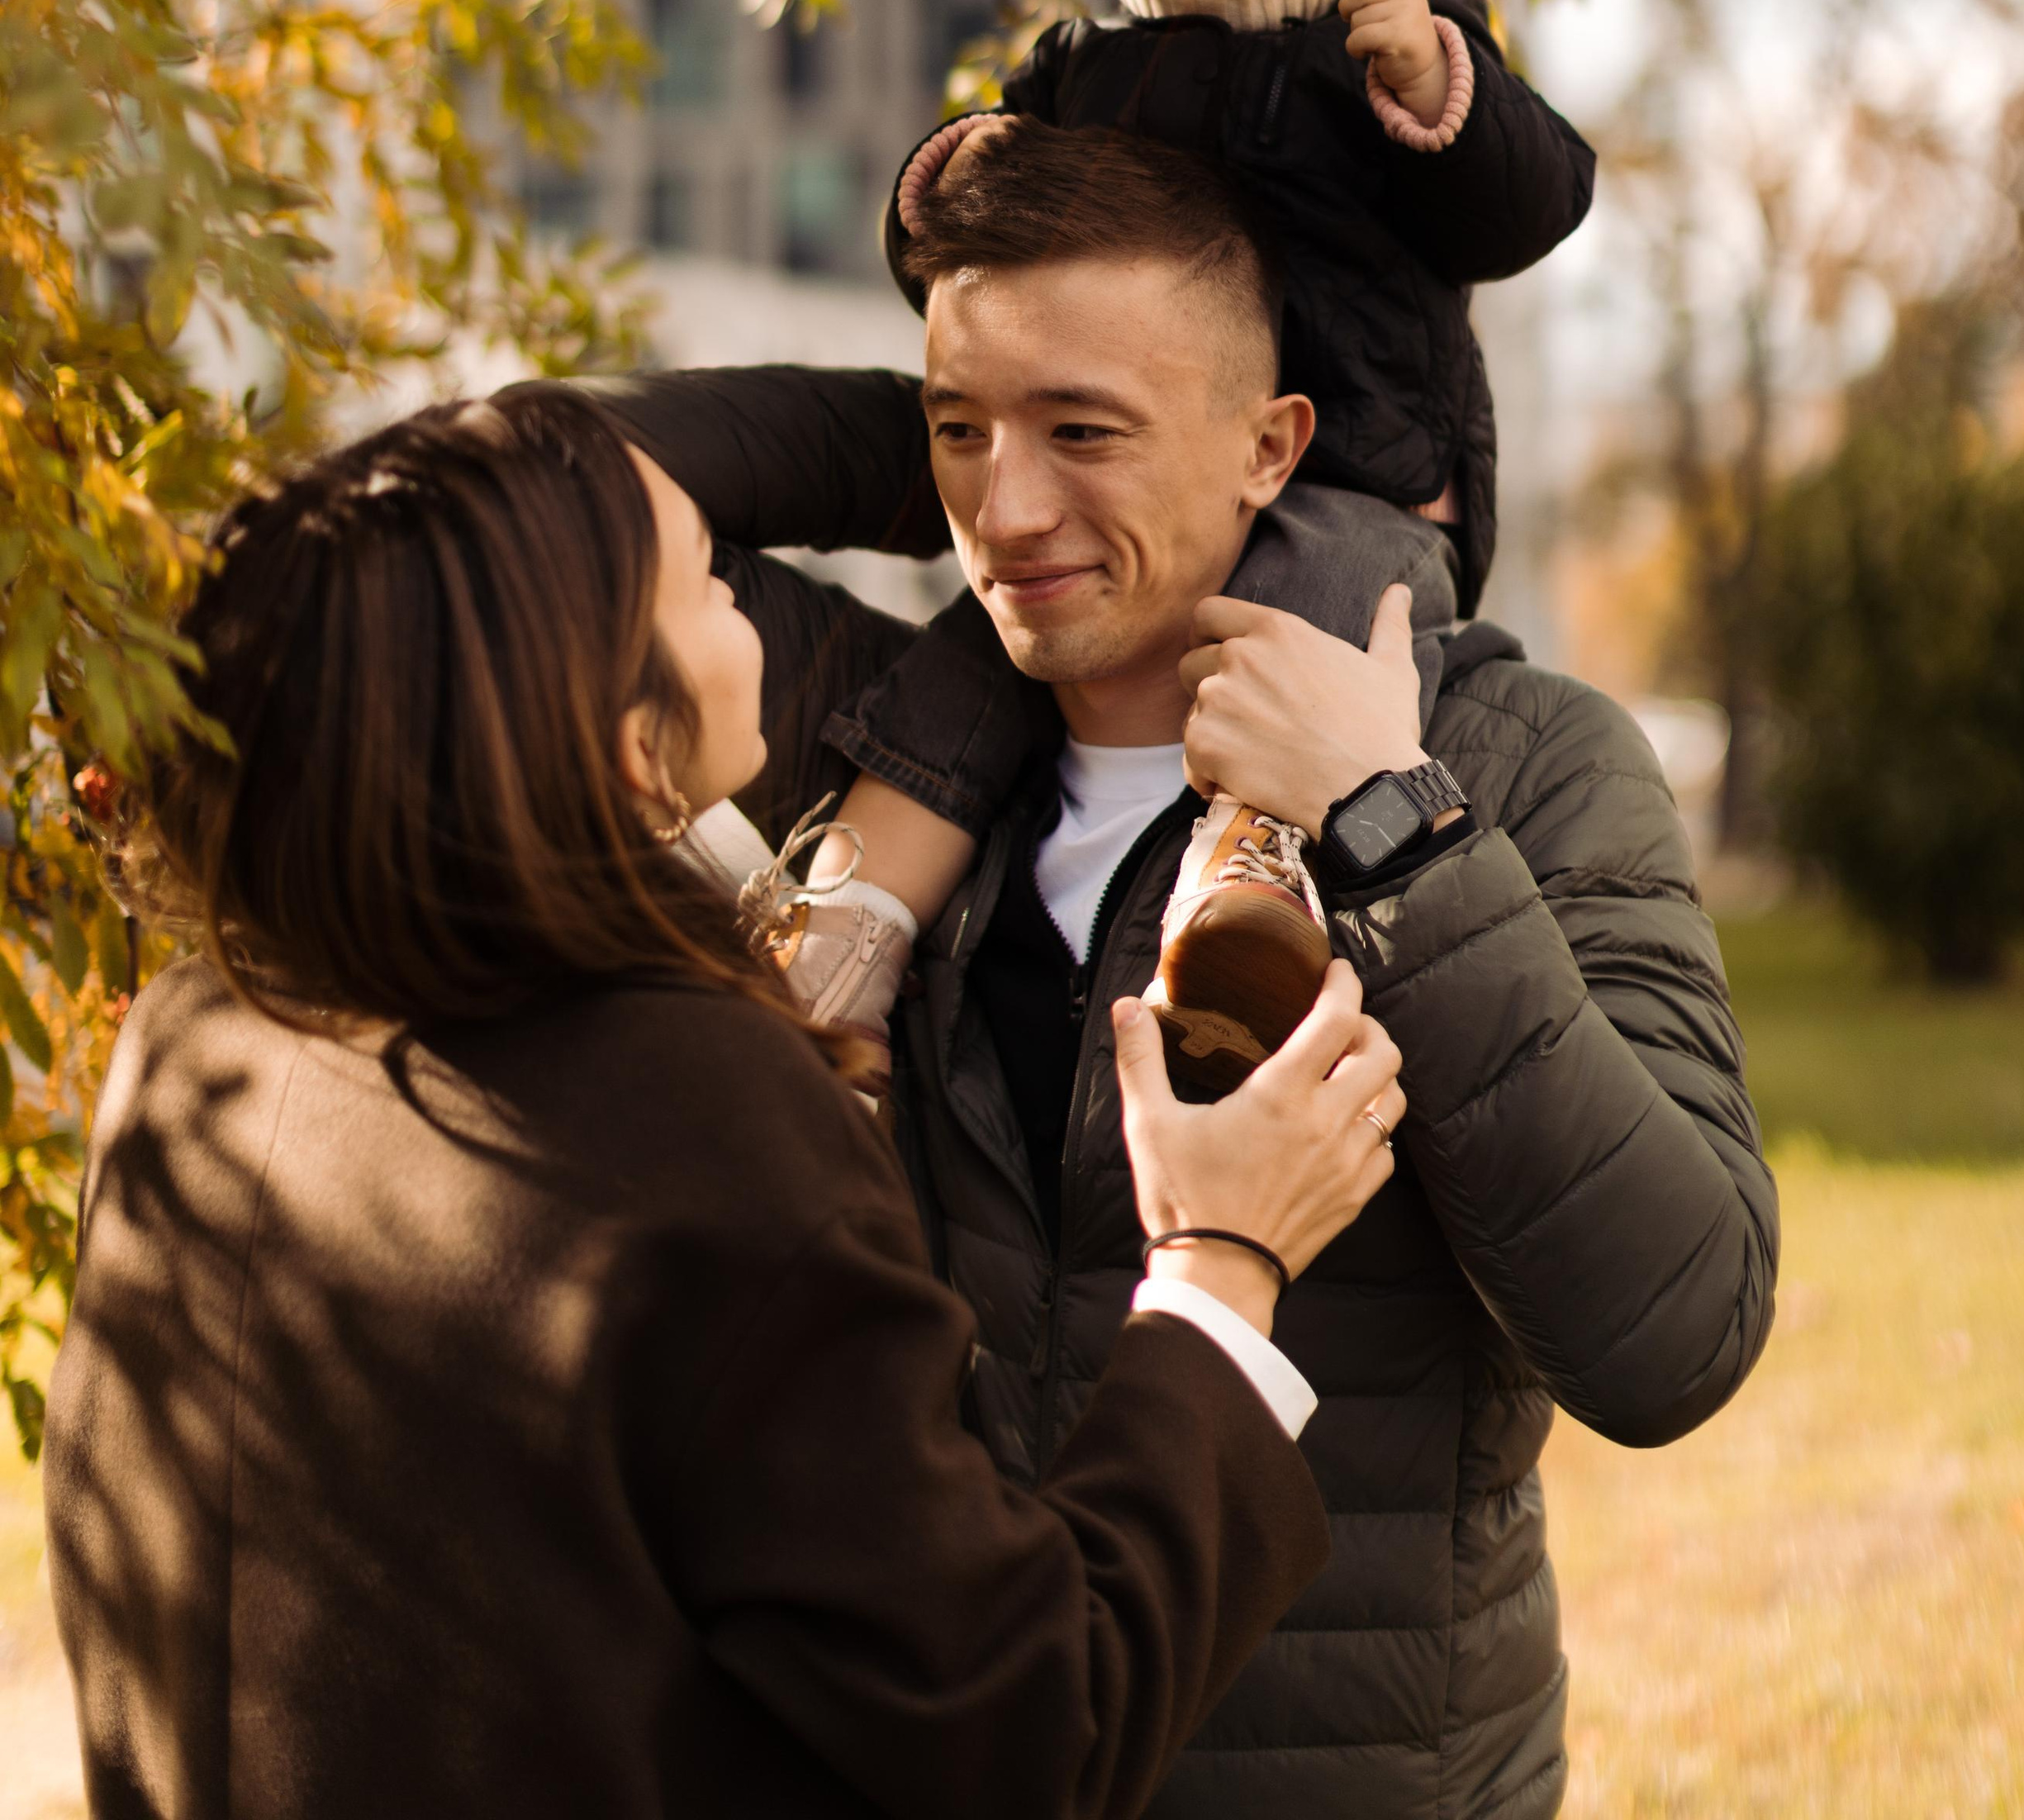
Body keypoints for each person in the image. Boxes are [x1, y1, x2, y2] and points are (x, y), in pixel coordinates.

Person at [594, 119, 1779, 1820]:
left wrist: (1394, 831)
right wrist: (926, 420)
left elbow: (1675, 1333)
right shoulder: (883, 757)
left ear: (1268, 444)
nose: (1000, 514)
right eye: (957, 434)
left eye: (1084, 430)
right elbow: (541, 482)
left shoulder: (1519, 763)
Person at [40, 383, 1409, 1820]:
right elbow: (1020, 1732)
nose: (754, 608)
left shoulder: (206, 1032)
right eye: (704, 579)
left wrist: (1000, 420)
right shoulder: (683, 1110)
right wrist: (1216, 1270)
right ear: (626, 742)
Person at [759, 0, 1597, 1086]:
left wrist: (1439, 84)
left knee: (1303, 647)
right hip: (1149, 485)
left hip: (1365, 488)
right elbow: (977, 262)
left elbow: (1528, 210)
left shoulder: (1391, 33)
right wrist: (943, 178)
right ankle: (852, 931)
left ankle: (1245, 897)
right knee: (972, 656)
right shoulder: (1084, 74)